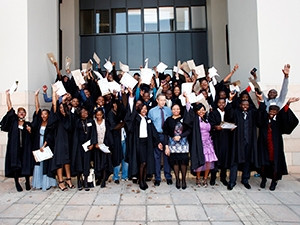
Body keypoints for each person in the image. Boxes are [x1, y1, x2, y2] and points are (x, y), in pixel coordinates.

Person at [257, 97, 299, 191]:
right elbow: (260, 115)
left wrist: (288, 103)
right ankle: (263, 179)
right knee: (263, 164)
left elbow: (285, 114)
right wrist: (260, 100)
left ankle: (274, 182)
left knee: (275, 164)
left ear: (277, 112)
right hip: (264, 146)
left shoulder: (279, 121)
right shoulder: (264, 119)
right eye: (271, 111)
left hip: (275, 146)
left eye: (275, 111)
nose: (272, 113)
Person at [226, 92, 262, 190]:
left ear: (249, 105)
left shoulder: (252, 113)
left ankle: (245, 180)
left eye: (247, 105)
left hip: (249, 141)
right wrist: (230, 99)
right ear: (240, 105)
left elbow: (260, 115)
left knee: (247, 161)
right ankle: (232, 182)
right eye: (243, 105)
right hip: (237, 141)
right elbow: (229, 114)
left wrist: (261, 101)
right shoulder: (236, 112)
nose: (245, 106)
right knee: (234, 161)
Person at [0, 90, 34, 192]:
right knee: (15, 165)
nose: (22, 113)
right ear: (18, 113)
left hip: (25, 148)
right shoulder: (13, 121)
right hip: (14, 147)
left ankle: (27, 181)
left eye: (23, 112)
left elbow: (32, 135)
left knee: (26, 164)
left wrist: (30, 131)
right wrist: (8, 96)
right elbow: (10, 108)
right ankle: (17, 183)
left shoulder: (27, 124)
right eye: (20, 112)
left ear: (25, 114)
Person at [126, 104, 160, 190]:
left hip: (147, 143)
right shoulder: (136, 119)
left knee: (146, 162)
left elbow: (153, 131)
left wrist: (158, 142)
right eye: (142, 109)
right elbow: (129, 126)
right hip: (139, 143)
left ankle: (143, 179)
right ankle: (141, 181)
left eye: (145, 109)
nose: (144, 110)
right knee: (142, 162)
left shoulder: (148, 119)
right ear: (139, 109)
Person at [184, 99, 218, 187]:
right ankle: (198, 178)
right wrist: (187, 99)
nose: (201, 112)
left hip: (208, 143)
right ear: (196, 111)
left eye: (203, 110)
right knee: (199, 161)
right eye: (199, 110)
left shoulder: (207, 119)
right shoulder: (195, 119)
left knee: (208, 162)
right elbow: (189, 111)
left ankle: (205, 178)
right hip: (199, 142)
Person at [48, 89, 74, 191]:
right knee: (59, 161)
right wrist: (54, 93)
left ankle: (68, 179)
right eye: (61, 108)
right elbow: (54, 105)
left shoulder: (68, 117)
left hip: (67, 141)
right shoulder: (57, 117)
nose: (62, 109)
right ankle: (60, 181)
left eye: (64, 108)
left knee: (67, 161)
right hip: (59, 142)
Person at [31, 89, 57, 191]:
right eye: (42, 114)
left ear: (48, 115)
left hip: (46, 145)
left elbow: (49, 136)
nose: (43, 116)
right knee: (38, 163)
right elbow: (37, 109)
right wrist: (36, 96)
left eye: (45, 114)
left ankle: (47, 183)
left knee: (46, 163)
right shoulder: (38, 123)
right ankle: (38, 182)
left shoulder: (50, 124)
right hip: (38, 144)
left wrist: (44, 145)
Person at [164, 104, 190, 189]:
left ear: (180, 110)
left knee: (183, 162)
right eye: (174, 109)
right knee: (175, 162)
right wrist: (166, 145)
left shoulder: (184, 118)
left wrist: (181, 136)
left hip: (183, 144)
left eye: (177, 109)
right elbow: (166, 133)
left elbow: (189, 130)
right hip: (173, 144)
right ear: (171, 110)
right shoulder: (168, 120)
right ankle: (177, 180)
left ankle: (183, 180)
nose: (176, 110)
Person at [148, 93, 173, 186]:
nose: (163, 102)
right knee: (156, 157)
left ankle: (168, 176)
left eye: (164, 100)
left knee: (167, 155)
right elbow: (150, 126)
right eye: (161, 100)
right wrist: (157, 140)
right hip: (156, 135)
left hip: (166, 135)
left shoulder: (169, 110)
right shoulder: (152, 111)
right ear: (157, 100)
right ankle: (157, 177)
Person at [72, 107, 97, 191]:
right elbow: (75, 134)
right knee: (79, 163)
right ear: (79, 113)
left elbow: (94, 133)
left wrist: (92, 144)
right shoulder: (77, 122)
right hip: (79, 146)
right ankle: (79, 180)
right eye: (83, 112)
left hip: (88, 146)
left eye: (86, 111)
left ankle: (86, 181)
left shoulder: (91, 121)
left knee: (86, 163)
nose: (85, 113)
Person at [208, 98, 231, 186]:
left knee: (224, 158)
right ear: (217, 103)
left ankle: (223, 177)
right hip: (216, 138)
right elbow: (211, 124)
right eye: (219, 102)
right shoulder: (213, 113)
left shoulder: (227, 112)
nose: (221, 104)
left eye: (223, 103)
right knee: (215, 157)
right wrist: (215, 127)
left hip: (225, 138)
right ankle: (213, 177)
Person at [93, 108, 113, 188]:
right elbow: (92, 134)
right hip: (96, 146)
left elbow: (108, 134)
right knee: (97, 163)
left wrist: (106, 144)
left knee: (104, 163)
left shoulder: (106, 122)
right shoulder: (93, 122)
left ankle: (104, 179)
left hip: (104, 145)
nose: (99, 116)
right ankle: (99, 178)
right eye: (97, 115)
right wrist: (95, 143)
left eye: (100, 115)